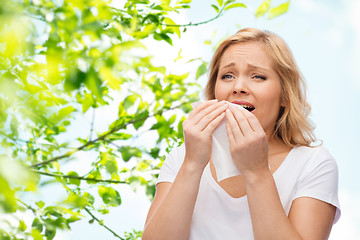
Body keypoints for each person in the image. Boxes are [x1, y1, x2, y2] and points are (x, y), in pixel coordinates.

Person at [142, 28, 340, 240]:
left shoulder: (313, 164)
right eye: (227, 75)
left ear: (285, 95)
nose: (238, 87)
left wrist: (256, 171)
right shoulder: (181, 158)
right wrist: (192, 164)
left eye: (258, 76)